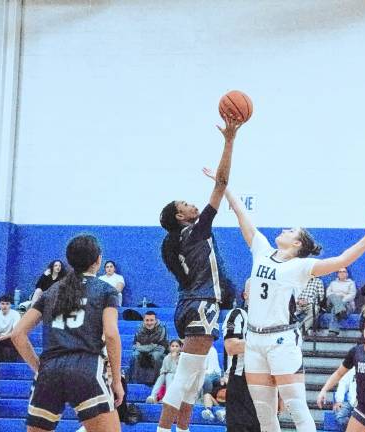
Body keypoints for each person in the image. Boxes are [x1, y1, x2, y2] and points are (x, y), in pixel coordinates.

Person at [204, 168, 365, 432]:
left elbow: (342, 260)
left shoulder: (300, 266)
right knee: (265, 416)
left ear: (297, 244)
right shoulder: (262, 250)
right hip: (253, 340)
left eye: (291, 230)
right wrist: (224, 186)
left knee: (298, 410)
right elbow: (242, 214)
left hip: (281, 340)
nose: (285, 229)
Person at [156, 115, 241, 432]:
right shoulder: (196, 231)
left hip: (190, 305)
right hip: (201, 305)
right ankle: (164, 430)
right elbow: (221, 184)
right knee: (184, 378)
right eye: (187, 204)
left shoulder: (174, 242)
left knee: (192, 378)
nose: (194, 205)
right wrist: (229, 142)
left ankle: (182, 429)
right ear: (181, 216)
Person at [11, 234, 124, 432]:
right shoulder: (106, 290)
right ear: (98, 260)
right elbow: (112, 335)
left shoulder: (51, 291)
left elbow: (17, 334)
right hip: (85, 368)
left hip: (49, 370)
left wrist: (39, 367)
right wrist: (116, 381)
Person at [221, 280, 261, 432]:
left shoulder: (273, 318)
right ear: (245, 295)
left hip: (265, 382)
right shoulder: (237, 314)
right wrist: (264, 343)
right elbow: (231, 347)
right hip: (240, 380)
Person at [129, 311, 169, 385]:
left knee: (156, 356)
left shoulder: (162, 328)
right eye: (147, 320)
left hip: (158, 351)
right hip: (146, 350)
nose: (149, 323)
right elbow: (135, 345)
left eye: (151, 320)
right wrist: (152, 346)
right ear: (144, 321)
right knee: (134, 355)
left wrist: (141, 347)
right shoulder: (139, 329)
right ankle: (133, 382)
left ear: (155, 320)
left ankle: (158, 382)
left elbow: (162, 346)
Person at [146, 339, 183, 404]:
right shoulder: (167, 357)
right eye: (173, 346)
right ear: (169, 347)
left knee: (169, 375)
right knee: (162, 376)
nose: (174, 348)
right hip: (167, 378)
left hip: (178, 378)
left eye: (177, 346)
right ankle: (152, 396)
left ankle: (168, 397)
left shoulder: (182, 358)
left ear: (180, 348)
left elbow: (177, 371)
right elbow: (163, 370)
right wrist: (171, 359)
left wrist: (174, 360)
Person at [0, 294, 21, 361]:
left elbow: (15, 332)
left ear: (10, 305)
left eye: (7, 304)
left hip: (10, 337)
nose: (5, 306)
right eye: (2, 304)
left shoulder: (15, 314)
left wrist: (0, 338)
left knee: (18, 339)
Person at [327, 268, 357, 336]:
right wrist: (338, 298)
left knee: (334, 309)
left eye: (344, 272)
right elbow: (328, 293)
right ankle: (341, 310)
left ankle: (333, 331)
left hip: (346, 304)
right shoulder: (333, 283)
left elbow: (352, 295)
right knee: (333, 296)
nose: (342, 273)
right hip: (333, 302)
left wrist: (341, 301)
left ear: (347, 274)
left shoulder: (351, 283)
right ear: (337, 274)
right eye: (340, 272)